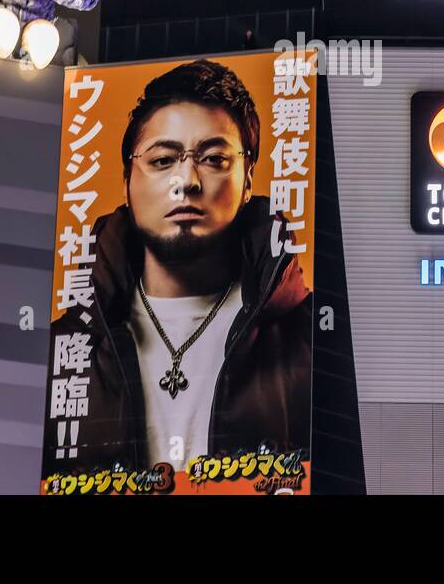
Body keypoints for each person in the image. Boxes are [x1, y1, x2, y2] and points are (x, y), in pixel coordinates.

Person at [44, 59, 311, 478]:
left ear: (248, 180)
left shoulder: (310, 339)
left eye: (213, 159)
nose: (186, 180)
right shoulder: (64, 350)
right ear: (126, 179)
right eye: (163, 160)